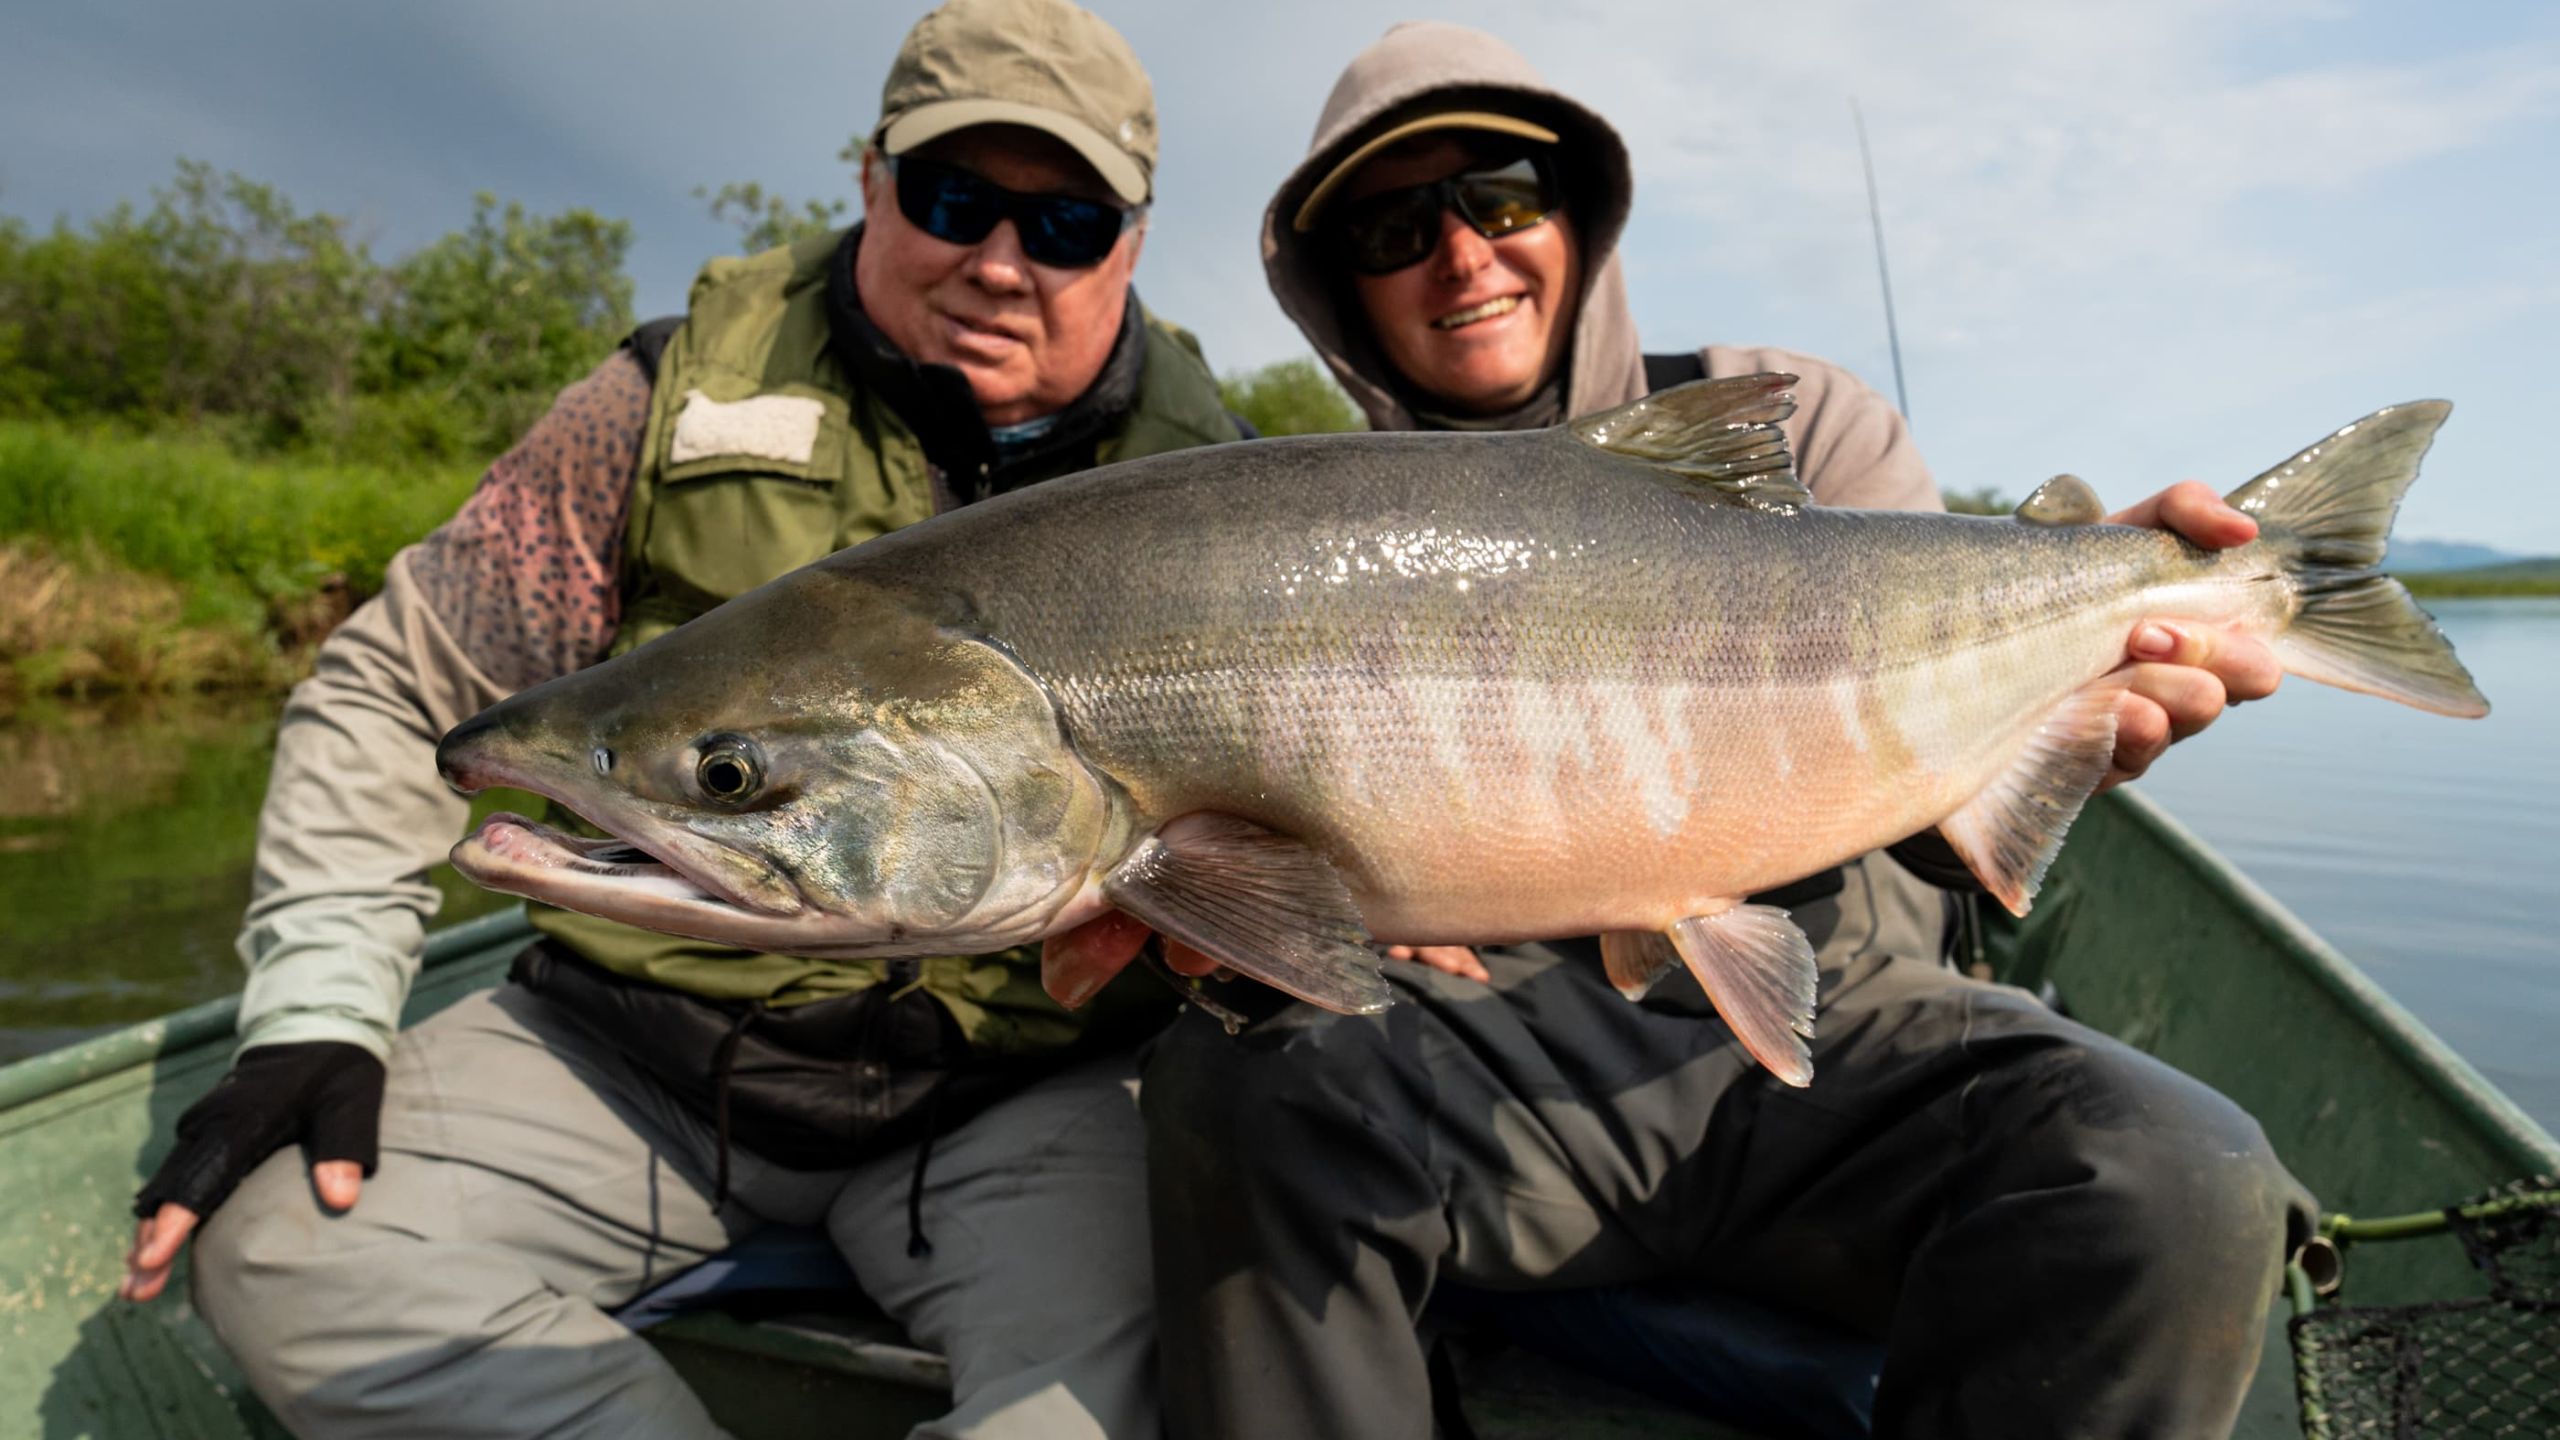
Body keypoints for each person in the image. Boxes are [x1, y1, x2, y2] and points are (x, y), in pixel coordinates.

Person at [1140, 22, 2319, 1440]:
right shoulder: (1286, 535)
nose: (1463, 257)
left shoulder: (1805, 422)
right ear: (1340, 284)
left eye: (1503, 196)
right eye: (1397, 227)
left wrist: (2078, 679)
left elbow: (1953, 844)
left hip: (1853, 1039)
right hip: (1485, 1069)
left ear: (1577, 215)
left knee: (2176, 1168)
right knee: (1237, 1079)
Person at [118, 2, 1240, 1436]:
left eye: (1067, 224)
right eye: (955, 199)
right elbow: (400, 689)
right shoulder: (660, 402)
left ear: (1133, 244)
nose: (1001, 263)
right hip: (634, 1053)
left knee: (1149, 1384)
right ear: (872, 180)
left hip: (1016, 1091)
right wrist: (323, 1008)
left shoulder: (1224, 492)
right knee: (288, 1254)